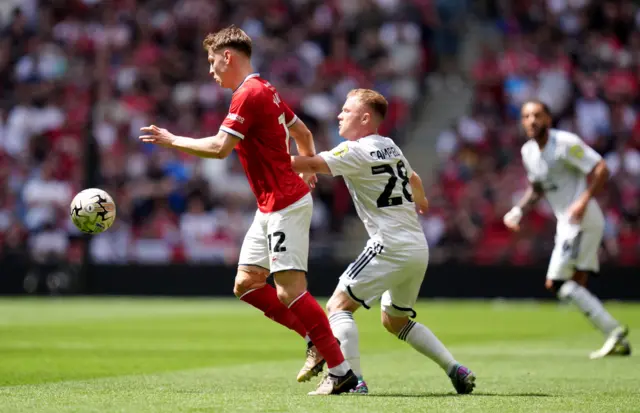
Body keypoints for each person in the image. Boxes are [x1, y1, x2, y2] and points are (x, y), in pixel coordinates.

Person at [138, 25, 357, 395]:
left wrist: (173, 140)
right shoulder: (266, 90)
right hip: (271, 203)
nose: (210, 71)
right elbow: (301, 131)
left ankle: (342, 372)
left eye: (212, 62)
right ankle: (317, 340)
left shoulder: (249, 94)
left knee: (289, 291)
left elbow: (222, 147)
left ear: (229, 57)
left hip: (285, 203)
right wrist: (306, 166)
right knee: (246, 284)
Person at [290, 88, 476, 395]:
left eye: (346, 111)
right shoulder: (389, 146)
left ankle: (352, 380)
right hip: (417, 246)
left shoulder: (354, 150)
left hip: (388, 243)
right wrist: (422, 201)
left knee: (338, 305)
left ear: (365, 118)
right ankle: (454, 368)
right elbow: (414, 179)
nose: (339, 115)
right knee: (395, 320)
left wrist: (263, 155)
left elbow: (307, 164)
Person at [503, 100, 631, 359]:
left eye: (537, 115)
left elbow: (601, 168)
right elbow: (538, 187)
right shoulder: (528, 151)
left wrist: (582, 202)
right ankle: (614, 337)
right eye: (526, 116)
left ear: (549, 119)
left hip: (580, 220)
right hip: (568, 222)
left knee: (557, 283)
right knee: (576, 284)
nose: (531, 121)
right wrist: (518, 210)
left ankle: (614, 331)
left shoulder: (564, 143)